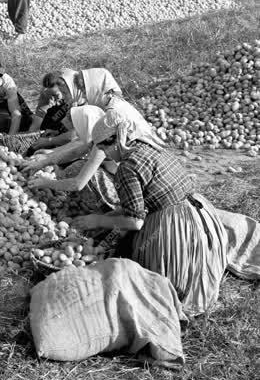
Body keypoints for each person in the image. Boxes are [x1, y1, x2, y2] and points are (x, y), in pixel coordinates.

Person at [73, 107, 227, 316]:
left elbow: (135, 222)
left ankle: (176, 285)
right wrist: (115, 213)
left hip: (175, 226)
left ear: (115, 141)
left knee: (140, 254)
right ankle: (197, 279)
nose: (106, 155)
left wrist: (98, 220)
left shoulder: (127, 167)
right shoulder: (150, 146)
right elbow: (145, 198)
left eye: (104, 148)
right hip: (199, 215)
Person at [26, 105, 119, 210]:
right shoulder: (99, 137)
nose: (77, 134)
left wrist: (47, 183)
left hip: (119, 191)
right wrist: (44, 162)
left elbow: (78, 184)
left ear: (85, 125)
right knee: (74, 169)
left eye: (78, 128)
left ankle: (107, 209)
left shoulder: (103, 145)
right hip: (114, 181)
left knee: (76, 169)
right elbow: (75, 152)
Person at [30, 67, 123, 151]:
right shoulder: (75, 98)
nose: (56, 100)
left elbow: (79, 139)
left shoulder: (96, 110)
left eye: (63, 93)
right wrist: (57, 132)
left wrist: (50, 145)